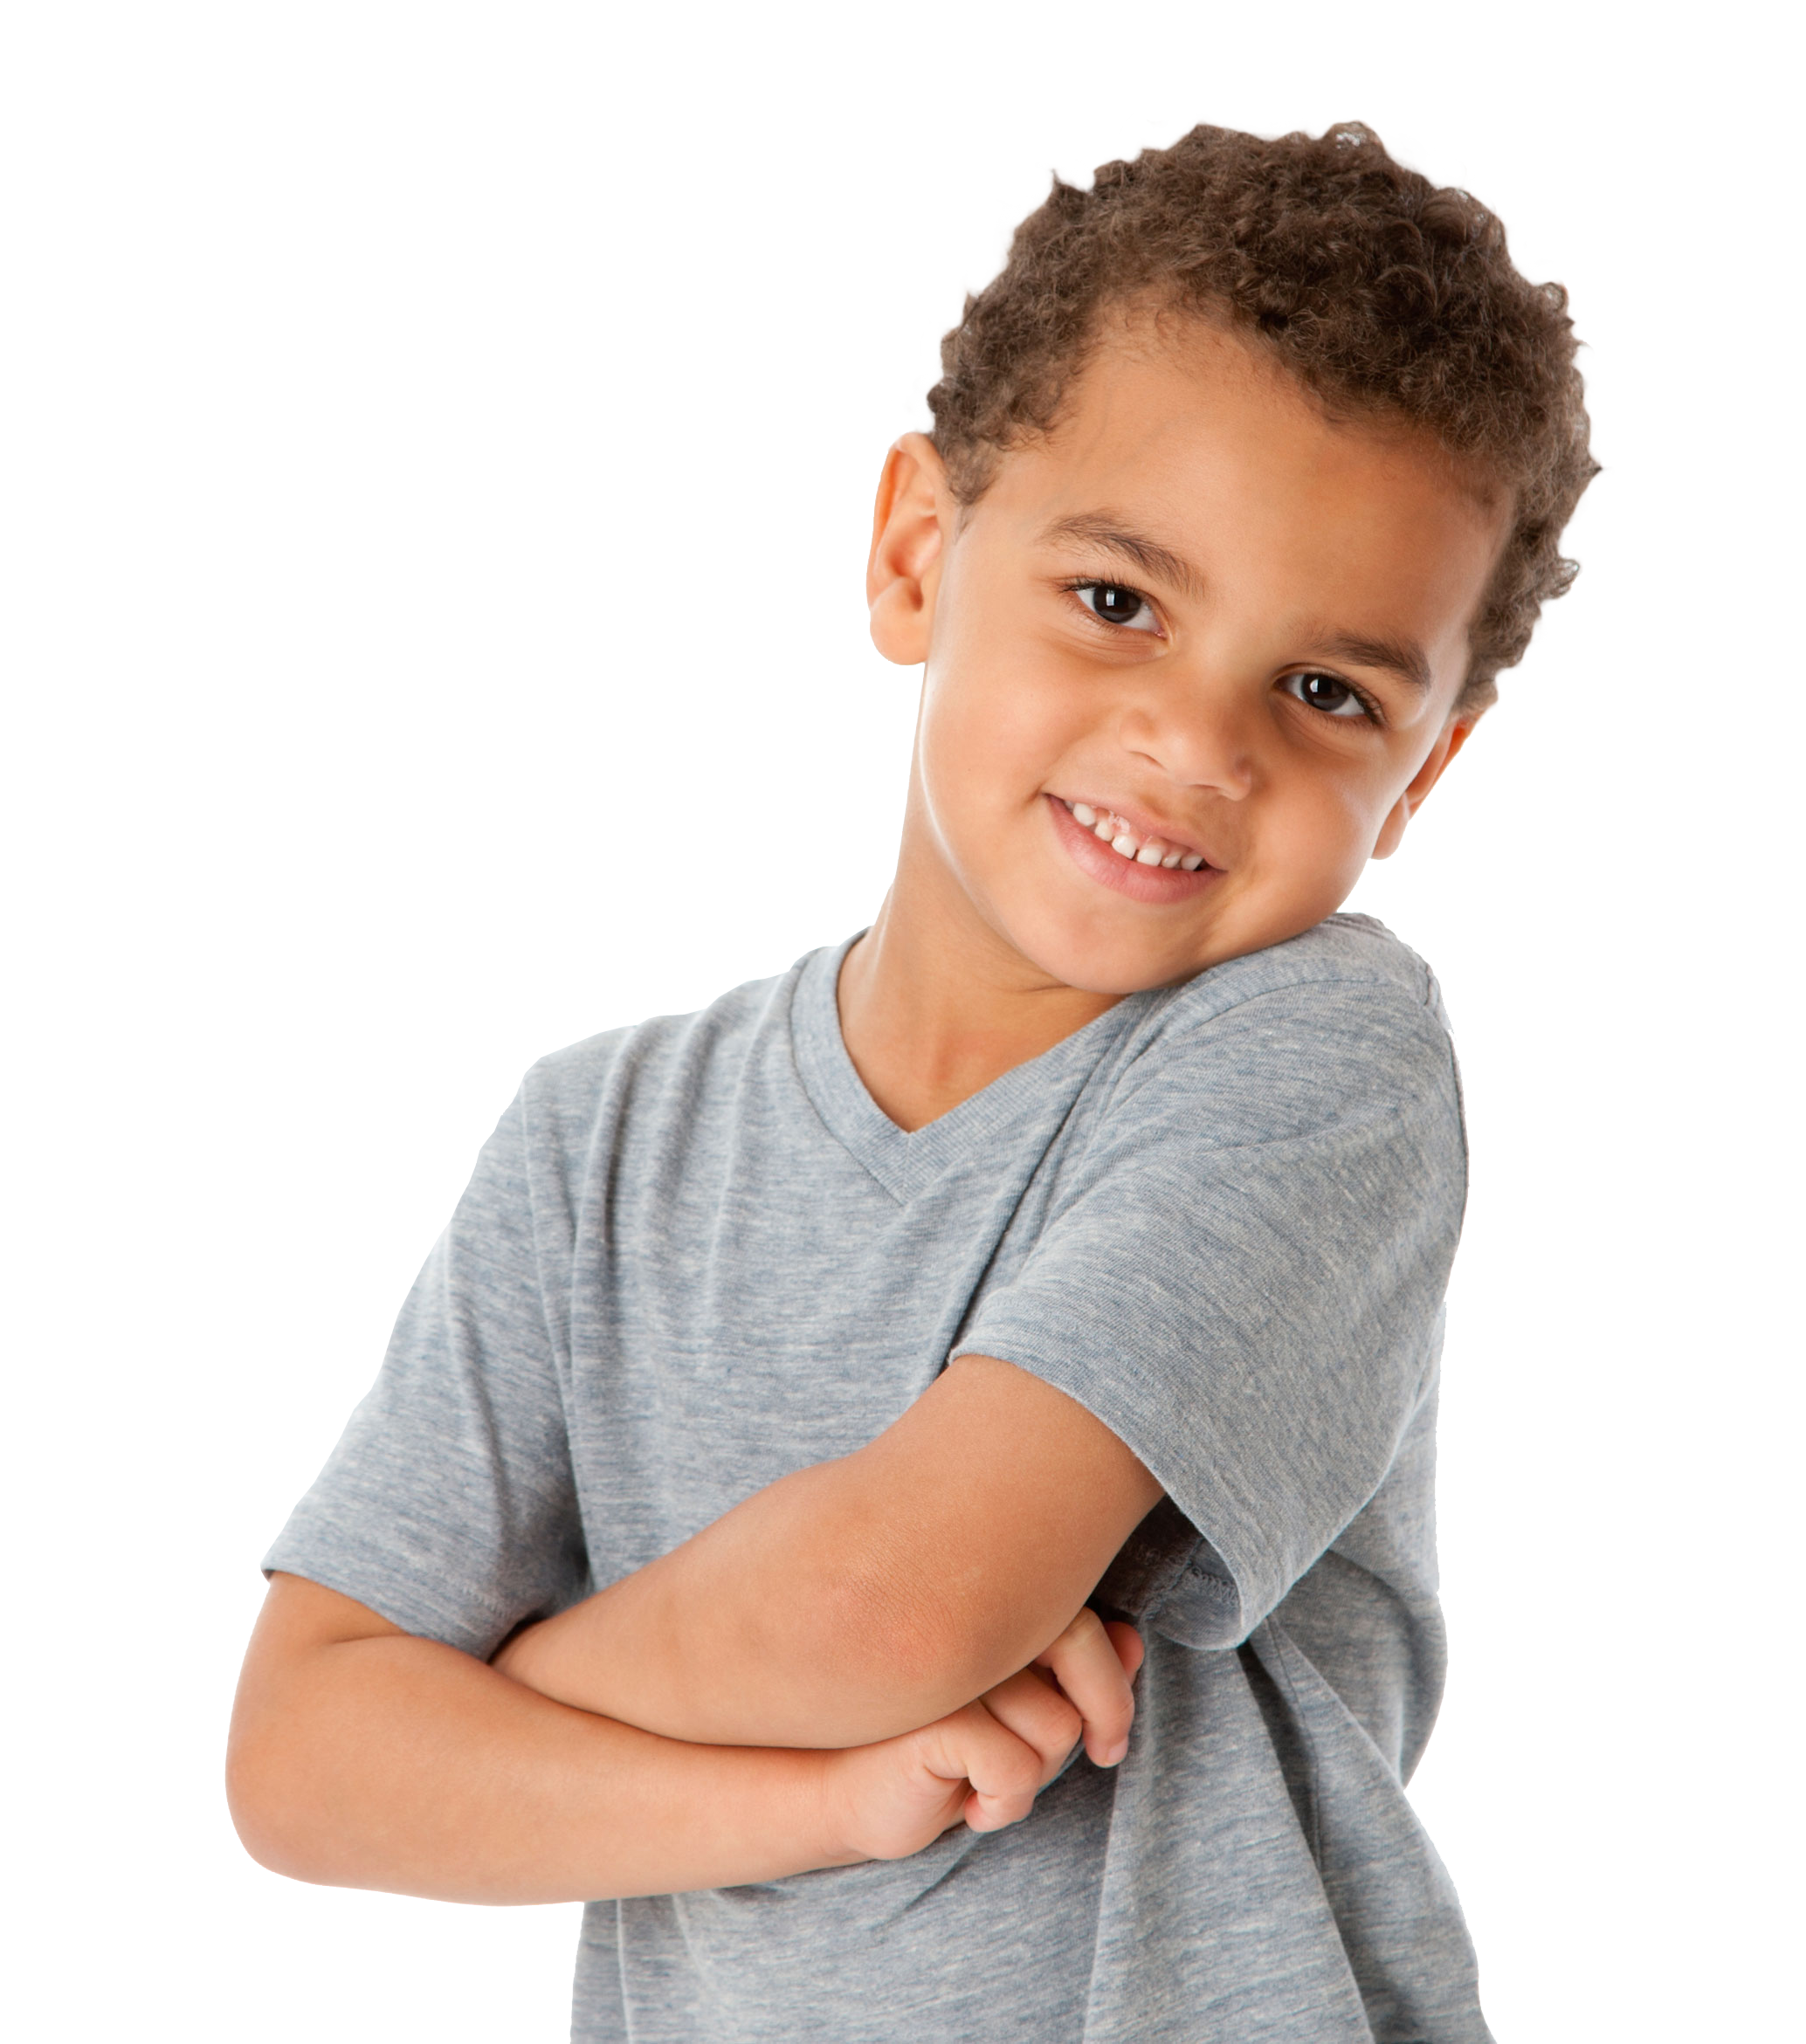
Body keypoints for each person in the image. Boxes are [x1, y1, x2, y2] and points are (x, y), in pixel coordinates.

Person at [227, 114, 1602, 2042]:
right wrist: (807, 1793)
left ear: (1426, 771)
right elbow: (300, 1761)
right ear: (915, 554)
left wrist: (486, 1683)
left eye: (1326, 693)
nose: (1195, 745)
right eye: (1117, 602)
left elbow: (894, 1611)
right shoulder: (593, 1148)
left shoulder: (1314, 1059)